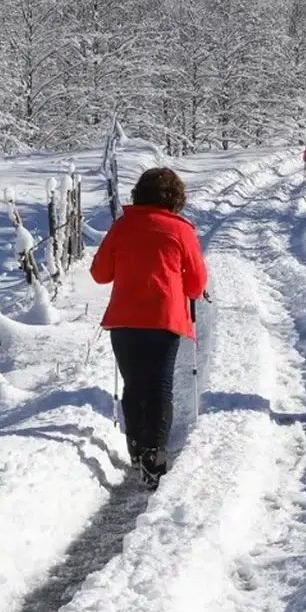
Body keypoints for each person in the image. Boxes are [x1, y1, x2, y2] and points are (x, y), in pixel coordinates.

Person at [91, 167, 208, 488]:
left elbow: (100, 274)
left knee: (134, 384)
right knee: (160, 386)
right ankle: (154, 457)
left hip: (125, 319)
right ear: (176, 199)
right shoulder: (181, 230)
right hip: (164, 318)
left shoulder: (122, 226)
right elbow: (196, 282)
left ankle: (136, 448)